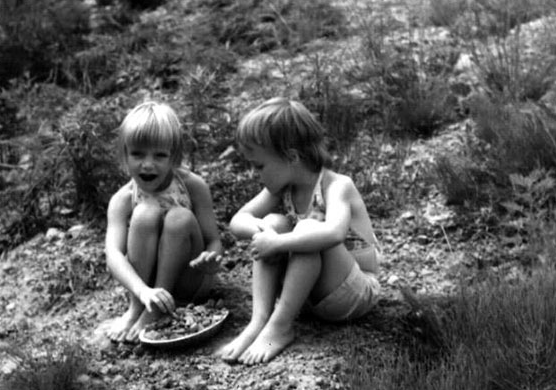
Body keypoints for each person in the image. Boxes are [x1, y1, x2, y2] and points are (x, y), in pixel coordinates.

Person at [219, 97, 381, 365]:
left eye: (259, 165)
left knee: (308, 230)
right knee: (272, 223)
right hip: (310, 296)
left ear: (292, 157)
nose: (254, 173)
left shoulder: (336, 186)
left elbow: (334, 233)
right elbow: (238, 220)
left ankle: (280, 327)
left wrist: (279, 243)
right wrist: (264, 232)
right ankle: (260, 320)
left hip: (354, 293)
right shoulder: (282, 187)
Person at [105, 101, 223, 341]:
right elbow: (113, 255)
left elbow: (214, 241)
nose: (148, 164)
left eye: (160, 155)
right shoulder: (123, 199)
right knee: (144, 213)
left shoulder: (193, 186)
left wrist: (211, 259)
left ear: (174, 157)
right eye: (137, 154)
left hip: (189, 281)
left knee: (179, 217)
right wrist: (142, 290)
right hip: (146, 289)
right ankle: (138, 308)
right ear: (124, 155)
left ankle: (156, 311)